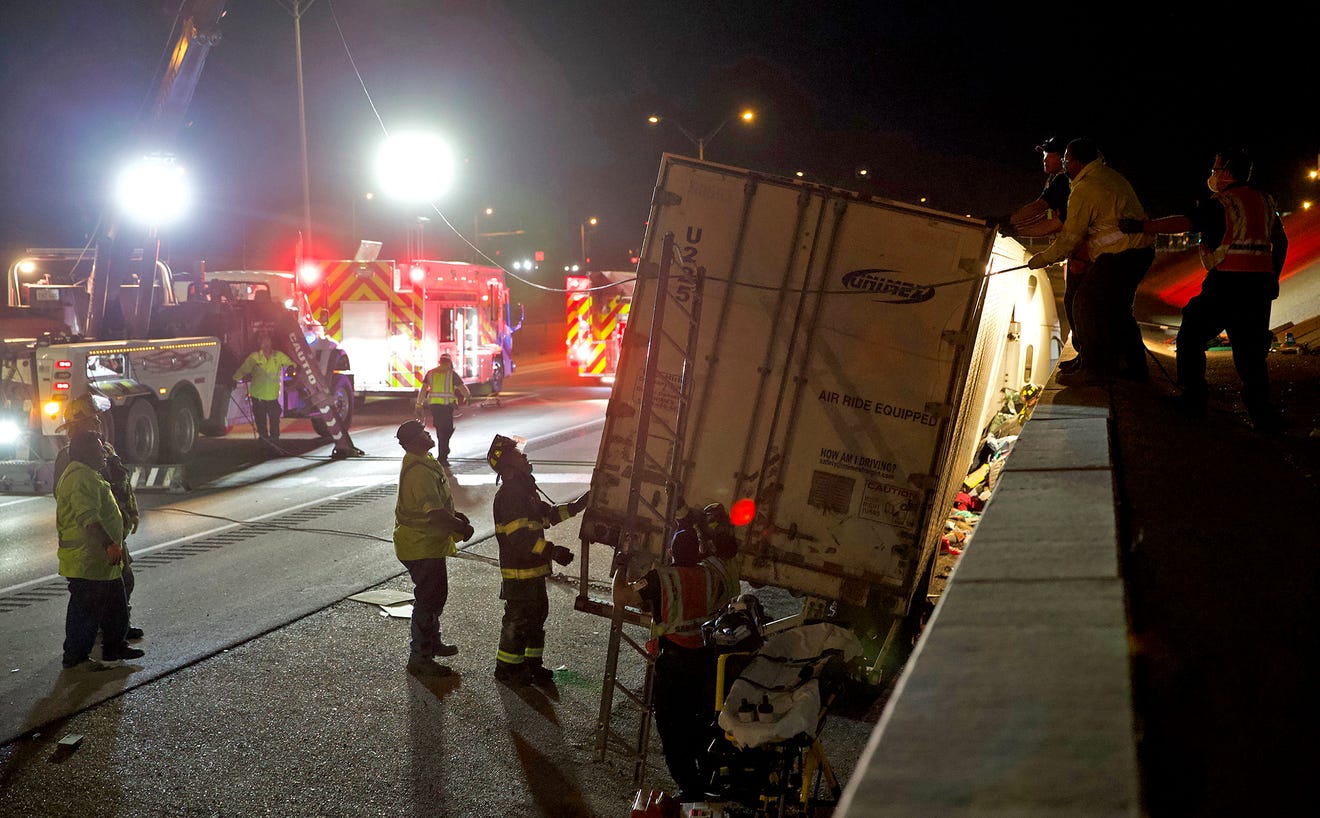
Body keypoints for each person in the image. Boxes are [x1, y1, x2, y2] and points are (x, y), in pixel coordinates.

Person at [1121, 148, 1289, 429]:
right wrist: (1273, 276)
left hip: (1228, 282)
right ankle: (1261, 413)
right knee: (1250, 351)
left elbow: (1185, 222)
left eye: (1216, 168)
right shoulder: (1264, 200)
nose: (1212, 173)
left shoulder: (1223, 202)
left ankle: (1193, 399)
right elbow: (1280, 242)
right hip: (1259, 286)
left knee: (1191, 334)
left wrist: (1142, 225)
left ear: (1228, 172)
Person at [613, 526, 739, 803]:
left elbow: (621, 598)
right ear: (697, 552)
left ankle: (689, 787)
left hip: (674, 666)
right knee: (702, 725)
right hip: (706, 664)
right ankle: (709, 781)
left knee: (671, 728)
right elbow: (728, 594)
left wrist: (620, 565)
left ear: (670, 552)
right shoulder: (710, 575)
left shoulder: (661, 578)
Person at [1028, 138, 1155, 386]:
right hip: (1137, 251)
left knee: (1083, 304)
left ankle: (1094, 368)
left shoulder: (1085, 188)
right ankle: (1133, 368)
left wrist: (1042, 259)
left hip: (1123, 254)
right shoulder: (1107, 176)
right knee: (1118, 311)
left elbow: (1069, 238)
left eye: (1066, 158)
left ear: (1075, 161)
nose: (1064, 164)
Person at [486, 434, 589, 686]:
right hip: (519, 574)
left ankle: (532, 664)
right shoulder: (510, 495)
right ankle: (507, 668)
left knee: (536, 618)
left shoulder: (524, 491)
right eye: (518, 454)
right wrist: (551, 551)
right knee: (519, 621)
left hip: (533, 572)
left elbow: (547, 516)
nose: (524, 456)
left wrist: (578, 505)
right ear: (509, 465)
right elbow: (519, 539)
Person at [52, 392, 144, 641]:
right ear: (78, 425)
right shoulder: (70, 456)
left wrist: (130, 512)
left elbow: (120, 481)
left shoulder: (105, 447)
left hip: (113, 528)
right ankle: (106, 633)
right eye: (93, 421)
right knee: (110, 585)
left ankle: (117, 628)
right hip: (95, 535)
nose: (99, 424)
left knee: (123, 581)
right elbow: (70, 495)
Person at [1002, 136, 1092, 373]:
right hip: (1075, 252)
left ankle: (1086, 359)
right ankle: (1084, 357)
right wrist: (1018, 229)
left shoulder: (1064, 182)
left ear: (1063, 158)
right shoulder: (1057, 181)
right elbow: (1047, 218)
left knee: (1077, 305)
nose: (1043, 159)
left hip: (1083, 253)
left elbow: (1046, 214)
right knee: (1074, 304)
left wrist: (1011, 223)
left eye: (1048, 155)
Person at [392, 419, 474, 677]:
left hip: (425, 544)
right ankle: (420, 657)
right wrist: (461, 528)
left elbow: (439, 506)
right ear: (416, 440)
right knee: (428, 601)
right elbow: (435, 514)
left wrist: (456, 515)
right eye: (424, 433)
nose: (429, 434)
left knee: (435, 597)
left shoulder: (424, 460)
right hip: (420, 546)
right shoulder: (418, 471)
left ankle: (432, 644)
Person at [233, 332, 294, 444]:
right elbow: (243, 370)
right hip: (258, 396)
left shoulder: (278, 356)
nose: (266, 343)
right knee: (261, 421)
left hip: (272, 396)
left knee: (274, 420)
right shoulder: (254, 357)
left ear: (271, 341)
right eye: (263, 340)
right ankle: (264, 442)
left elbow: (290, 363)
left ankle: (275, 441)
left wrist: (291, 368)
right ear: (259, 343)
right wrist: (234, 379)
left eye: (268, 340)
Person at [416, 353, 470, 467]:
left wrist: (419, 404)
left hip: (434, 407)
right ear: (449, 362)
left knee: (441, 430)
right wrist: (468, 396)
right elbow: (463, 388)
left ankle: (443, 452)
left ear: (440, 362)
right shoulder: (451, 374)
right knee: (446, 430)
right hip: (446, 407)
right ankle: (443, 455)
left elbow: (423, 390)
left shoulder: (430, 373)